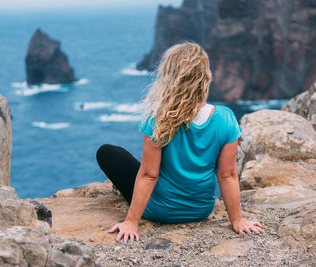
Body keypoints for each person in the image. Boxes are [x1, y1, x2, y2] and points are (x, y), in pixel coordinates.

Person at [96, 42, 263, 244]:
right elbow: (227, 175)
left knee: (108, 153)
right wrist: (238, 220)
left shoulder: (158, 118)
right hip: (201, 210)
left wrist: (131, 222)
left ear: (169, 78)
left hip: (158, 210)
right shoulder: (225, 119)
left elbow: (149, 174)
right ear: (205, 78)